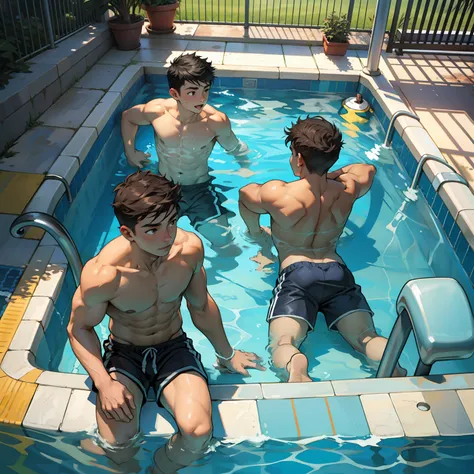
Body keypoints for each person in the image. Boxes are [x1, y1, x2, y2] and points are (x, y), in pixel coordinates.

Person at [67, 171, 264, 472]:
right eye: (153, 229)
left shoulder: (189, 251)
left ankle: (160, 469)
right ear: (127, 232)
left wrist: (227, 355)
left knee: (198, 434)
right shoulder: (104, 275)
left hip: (173, 348)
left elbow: (200, 307)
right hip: (124, 353)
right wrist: (104, 383)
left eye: (172, 222)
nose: (167, 236)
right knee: (118, 444)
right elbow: (78, 327)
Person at [238, 116, 405, 383]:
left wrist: (257, 234)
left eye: (293, 154)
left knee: (284, 341)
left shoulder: (279, 193)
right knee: (366, 338)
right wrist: (332, 174)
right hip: (337, 270)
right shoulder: (346, 189)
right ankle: (393, 368)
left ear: (299, 158)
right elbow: (368, 170)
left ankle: (296, 366)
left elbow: (245, 195)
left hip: (296, 272)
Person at [121, 53, 249, 249]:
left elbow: (236, 148)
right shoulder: (158, 112)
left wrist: (246, 167)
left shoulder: (215, 122)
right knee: (143, 244)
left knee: (225, 243)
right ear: (175, 94)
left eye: (205, 90)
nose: (202, 98)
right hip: (164, 188)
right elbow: (128, 117)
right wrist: (131, 151)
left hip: (199, 189)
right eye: (192, 92)